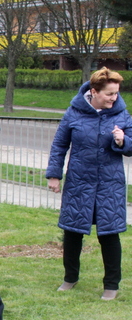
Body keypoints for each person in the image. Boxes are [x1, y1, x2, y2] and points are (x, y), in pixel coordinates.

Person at [47, 67, 132, 301]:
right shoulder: (73, 113)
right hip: (79, 182)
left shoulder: (122, 115)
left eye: (116, 93)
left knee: (109, 234)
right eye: (109, 94)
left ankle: (111, 285)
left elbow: (131, 146)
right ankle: (70, 278)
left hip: (110, 184)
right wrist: (54, 175)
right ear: (94, 91)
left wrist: (123, 140)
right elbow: (59, 145)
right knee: (72, 232)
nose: (114, 98)